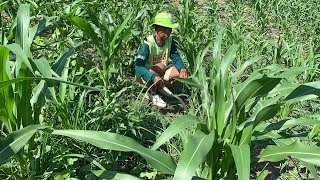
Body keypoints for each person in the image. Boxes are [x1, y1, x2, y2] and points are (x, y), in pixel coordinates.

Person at [135, 12, 188, 108]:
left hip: (159, 74)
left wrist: (182, 68)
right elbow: (138, 67)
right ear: (156, 28)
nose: (167, 32)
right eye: (164, 29)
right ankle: (152, 93)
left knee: (179, 72)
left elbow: (175, 57)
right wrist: (152, 77)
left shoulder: (170, 41)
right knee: (161, 66)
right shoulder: (147, 43)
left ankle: (160, 86)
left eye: (169, 29)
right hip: (145, 77)